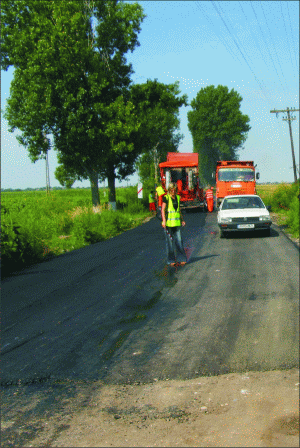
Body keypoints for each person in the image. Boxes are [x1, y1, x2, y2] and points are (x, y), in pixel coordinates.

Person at [161, 183, 187, 266]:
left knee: (179, 241)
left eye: (174, 190)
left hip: (176, 224)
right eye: (171, 190)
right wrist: (164, 221)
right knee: (170, 243)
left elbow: (178, 210)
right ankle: (171, 260)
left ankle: (182, 259)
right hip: (168, 224)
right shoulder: (166, 198)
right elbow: (163, 210)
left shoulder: (178, 198)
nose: (173, 191)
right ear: (169, 190)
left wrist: (182, 220)